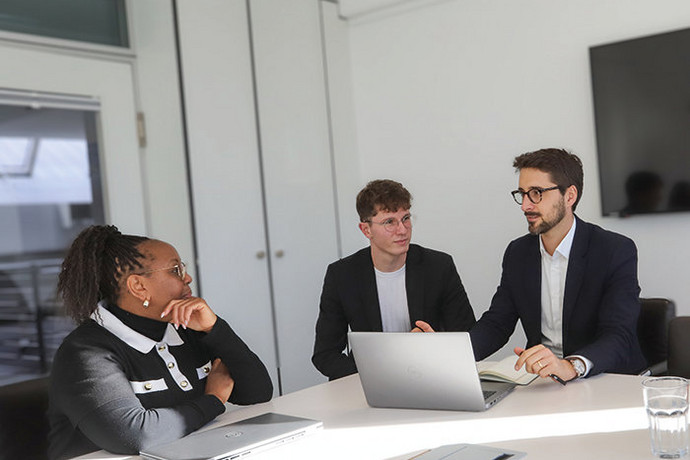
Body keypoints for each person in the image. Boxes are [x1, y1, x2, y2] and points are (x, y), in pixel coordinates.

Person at [47, 225, 273, 460]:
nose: (187, 277)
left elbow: (257, 392)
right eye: (175, 270)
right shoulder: (85, 351)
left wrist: (214, 328)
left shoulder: (185, 327)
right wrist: (214, 399)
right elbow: (135, 435)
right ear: (139, 287)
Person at [470, 148, 646, 383]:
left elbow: (618, 335)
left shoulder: (614, 250)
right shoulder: (518, 253)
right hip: (543, 382)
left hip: (605, 378)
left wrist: (571, 365)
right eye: (522, 194)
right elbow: (497, 323)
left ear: (569, 196)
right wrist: (453, 354)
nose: (525, 205)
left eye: (536, 193)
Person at [312, 179, 476, 380]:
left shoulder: (438, 266)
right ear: (366, 230)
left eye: (405, 218)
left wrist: (436, 345)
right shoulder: (342, 275)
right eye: (389, 222)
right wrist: (377, 375)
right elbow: (325, 354)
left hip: (431, 375)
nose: (402, 230)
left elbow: (467, 337)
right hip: (367, 380)